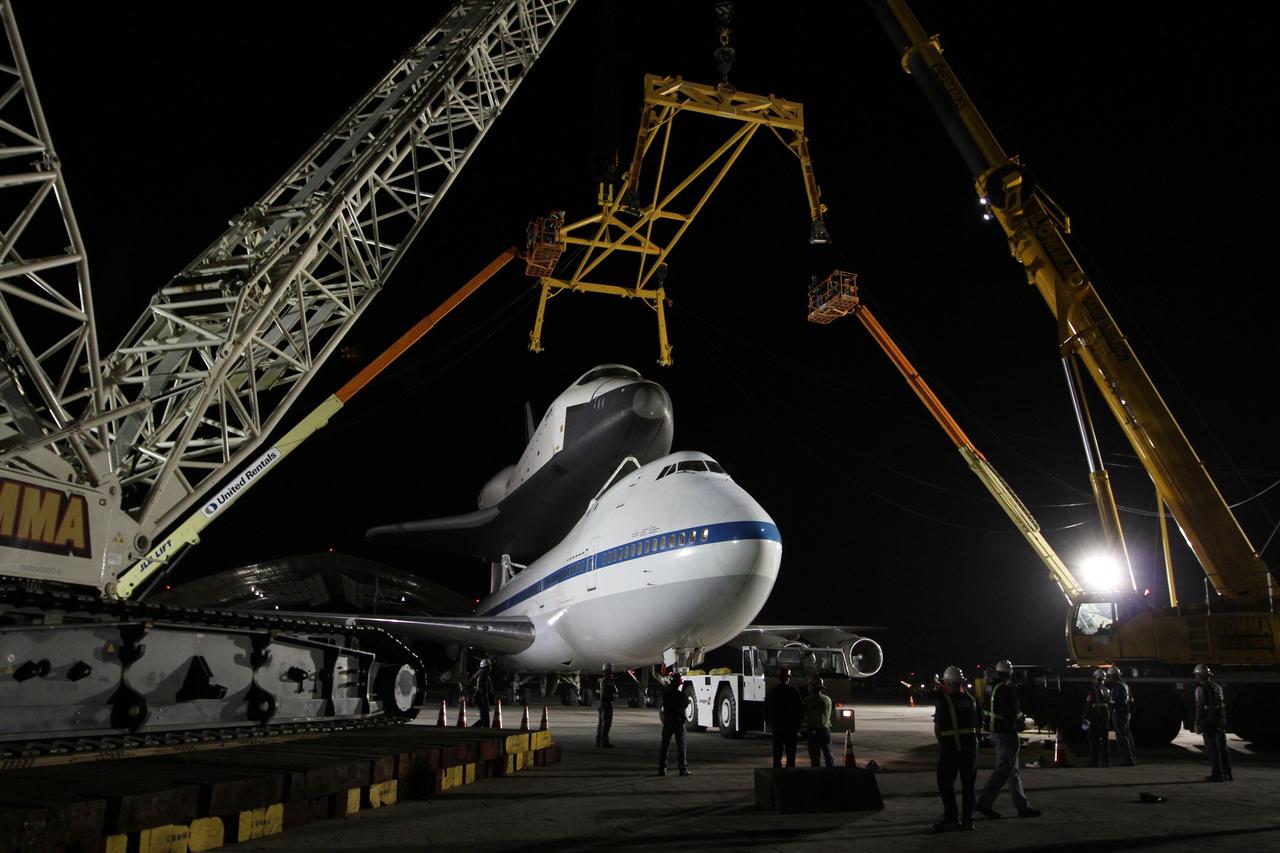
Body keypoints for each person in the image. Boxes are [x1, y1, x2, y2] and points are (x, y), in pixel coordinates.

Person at [975, 659, 1041, 819]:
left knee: (1012, 772)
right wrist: (1019, 723)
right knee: (1003, 771)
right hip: (1006, 733)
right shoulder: (1006, 689)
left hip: (995, 732)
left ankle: (1023, 808)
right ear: (1009, 673)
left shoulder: (991, 687)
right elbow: (1011, 712)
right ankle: (984, 804)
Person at [933, 665, 981, 832]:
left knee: (945, 783)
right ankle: (968, 820)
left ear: (946, 682)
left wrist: (942, 746)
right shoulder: (971, 700)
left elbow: (938, 728)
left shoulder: (944, 701)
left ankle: (951, 816)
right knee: (969, 786)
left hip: (951, 750)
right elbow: (978, 724)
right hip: (970, 749)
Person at [1194, 664, 1232, 782]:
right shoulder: (1217, 687)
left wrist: (1198, 721)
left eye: (1196, 675)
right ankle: (1228, 773)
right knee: (1223, 747)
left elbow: (1200, 706)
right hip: (1220, 720)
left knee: (1212, 749)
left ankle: (1217, 774)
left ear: (1199, 675)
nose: (1196, 677)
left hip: (1209, 722)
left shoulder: (1200, 689)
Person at [764, 666, 804, 768]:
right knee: (791, 754)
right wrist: (798, 725)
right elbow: (800, 710)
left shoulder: (772, 692)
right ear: (788, 678)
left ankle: (777, 774)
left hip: (777, 727)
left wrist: (770, 724)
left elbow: (765, 710)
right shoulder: (793, 692)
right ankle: (789, 776)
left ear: (778, 678)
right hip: (791, 728)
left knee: (777, 753)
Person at [658, 672, 690, 776]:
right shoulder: (681, 696)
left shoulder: (665, 694)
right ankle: (682, 769)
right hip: (678, 722)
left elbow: (662, 707)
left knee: (665, 745)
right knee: (681, 746)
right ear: (679, 683)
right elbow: (685, 704)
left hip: (668, 722)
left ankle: (662, 768)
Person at [801, 676, 836, 767]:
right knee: (829, 756)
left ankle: (817, 777)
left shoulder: (807, 701)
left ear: (812, 687)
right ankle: (833, 775)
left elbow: (804, 716)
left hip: (813, 732)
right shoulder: (827, 699)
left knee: (815, 758)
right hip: (825, 731)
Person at [1107, 667, 1137, 766]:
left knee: (1122, 736)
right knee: (1127, 735)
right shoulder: (1125, 685)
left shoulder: (1118, 686)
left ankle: (1128, 759)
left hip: (1119, 713)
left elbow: (1118, 701)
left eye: (1109, 676)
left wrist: (1111, 708)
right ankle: (1132, 757)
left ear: (1112, 676)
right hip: (1125, 713)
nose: (1108, 678)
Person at [1083, 668, 1112, 767]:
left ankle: (1094, 762)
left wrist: (1085, 717)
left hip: (1094, 718)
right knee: (1105, 740)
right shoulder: (1107, 690)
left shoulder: (1092, 689)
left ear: (1095, 678)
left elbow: (1088, 704)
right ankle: (1106, 761)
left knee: (1093, 740)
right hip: (1105, 718)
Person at [597, 662, 619, 748]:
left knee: (600, 723)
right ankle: (604, 742)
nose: (611, 673)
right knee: (606, 724)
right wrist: (612, 697)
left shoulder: (599, 680)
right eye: (610, 671)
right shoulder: (607, 681)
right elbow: (605, 693)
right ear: (607, 671)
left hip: (600, 703)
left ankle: (598, 741)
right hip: (606, 703)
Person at [472, 657, 495, 728]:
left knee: (486, 721)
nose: (490, 668)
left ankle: (485, 731)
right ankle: (472, 729)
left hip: (481, 700)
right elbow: (483, 692)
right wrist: (486, 704)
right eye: (489, 666)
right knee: (484, 719)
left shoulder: (485, 676)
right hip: (481, 701)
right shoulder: (483, 677)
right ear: (485, 667)